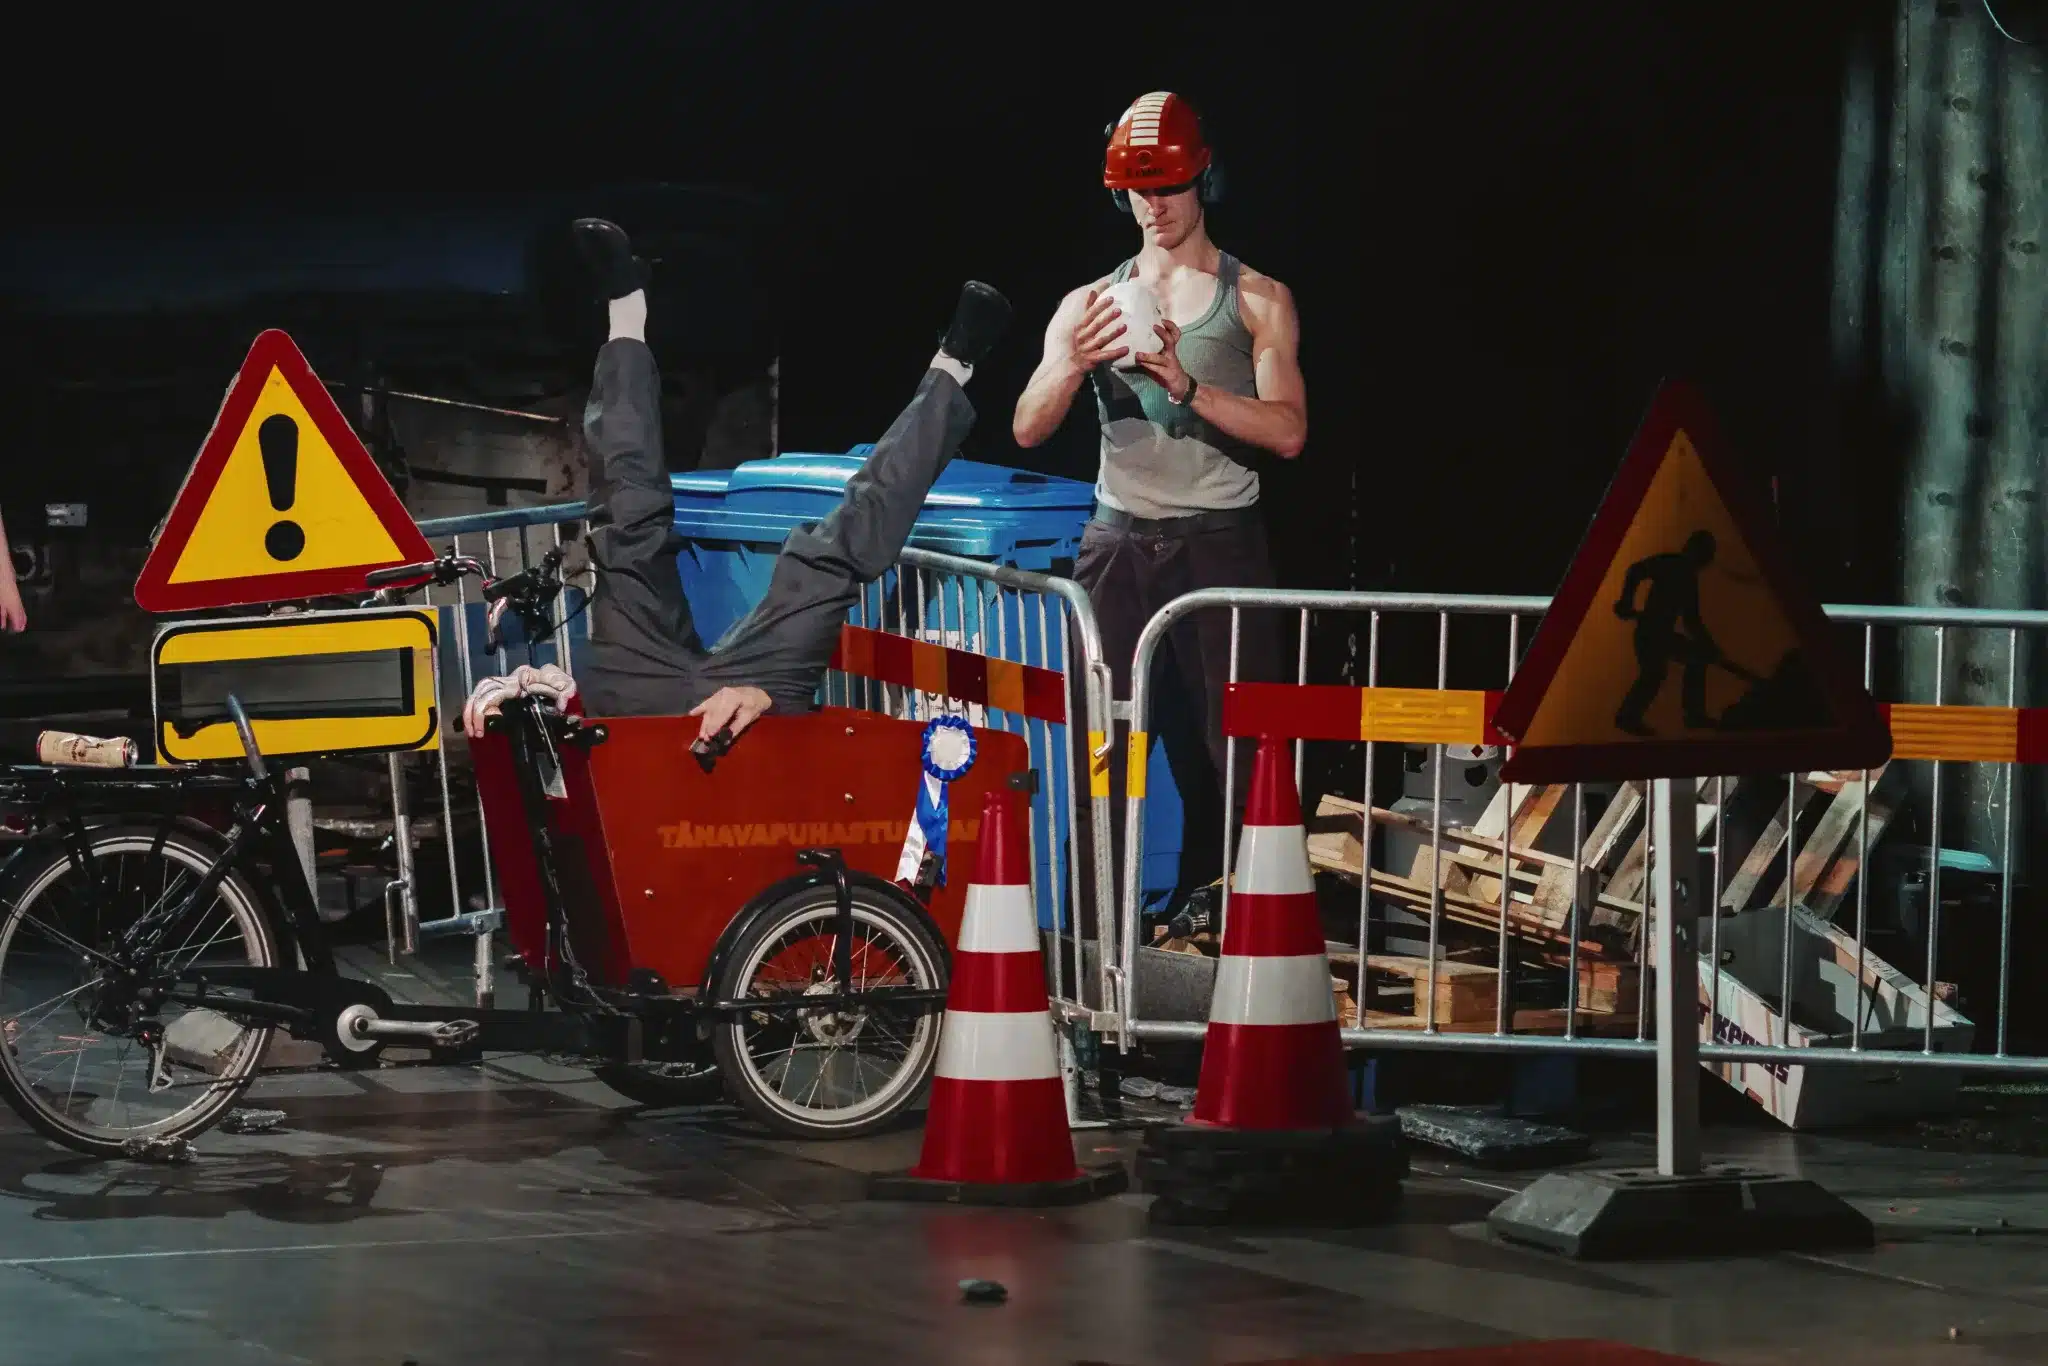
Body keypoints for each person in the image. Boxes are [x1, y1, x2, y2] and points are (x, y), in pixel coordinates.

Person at [464, 219, 1012, 745]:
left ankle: (625, 310)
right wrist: (764, 697)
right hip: (729, 701)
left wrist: (524, 694)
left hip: (649, 696)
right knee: (829, 559)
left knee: (626, 523)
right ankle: (955, 366)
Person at [1012, 91, 1307, 891]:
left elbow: (1288, 430)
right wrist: (1072, 363)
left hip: (1220, 544)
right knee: (1107, 744)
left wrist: (1187, 385)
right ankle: (1102, 925)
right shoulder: (1087, 304)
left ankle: (1249, 925)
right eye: (1138, 191)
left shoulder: (1255, 298)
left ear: (1204, 179)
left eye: (1168, 187)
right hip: (1119, 543)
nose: (1154, 206)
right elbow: (1028, 427)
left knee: (1239, 751)